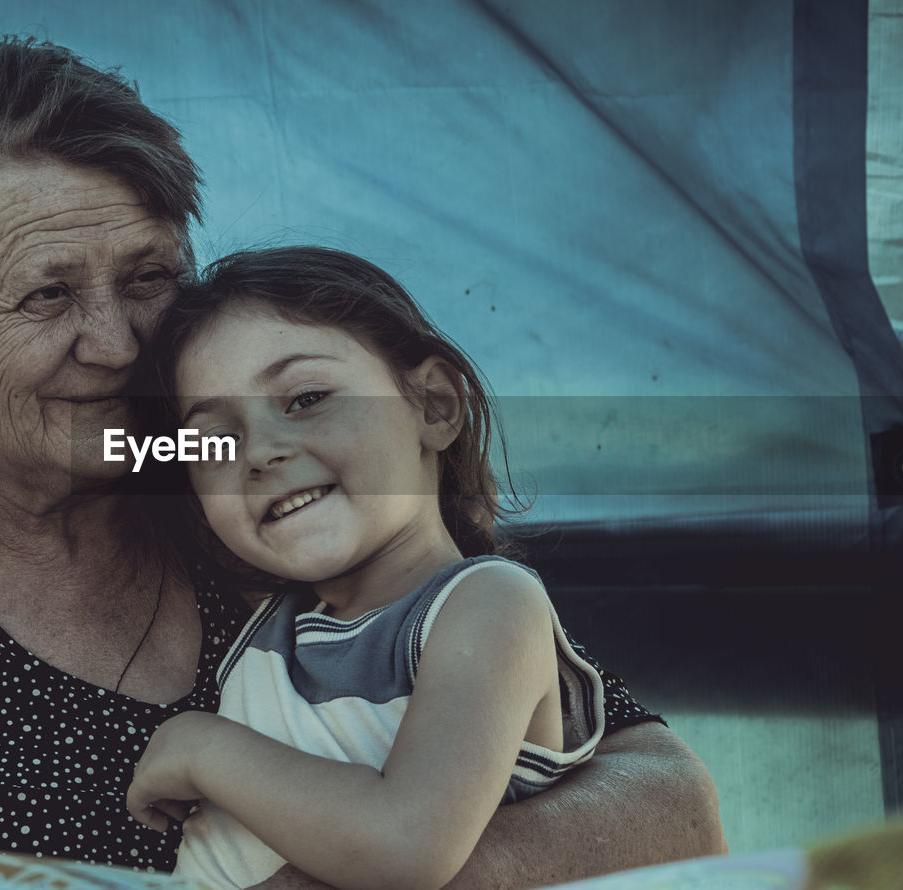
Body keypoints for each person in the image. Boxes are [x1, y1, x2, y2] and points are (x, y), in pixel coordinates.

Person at [0, 37, 725, 890]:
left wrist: (388, 872)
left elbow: (663, 792)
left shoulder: (261, 479)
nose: (122, 345)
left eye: (146, 277)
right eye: (46, 295)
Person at [123, 246, 602, 888]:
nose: (260, 452)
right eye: (216, 440)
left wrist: (200, 748)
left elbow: (406, 847)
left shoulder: (489, 605)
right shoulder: (276, 618)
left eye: (306, 397)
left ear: (433, 406)